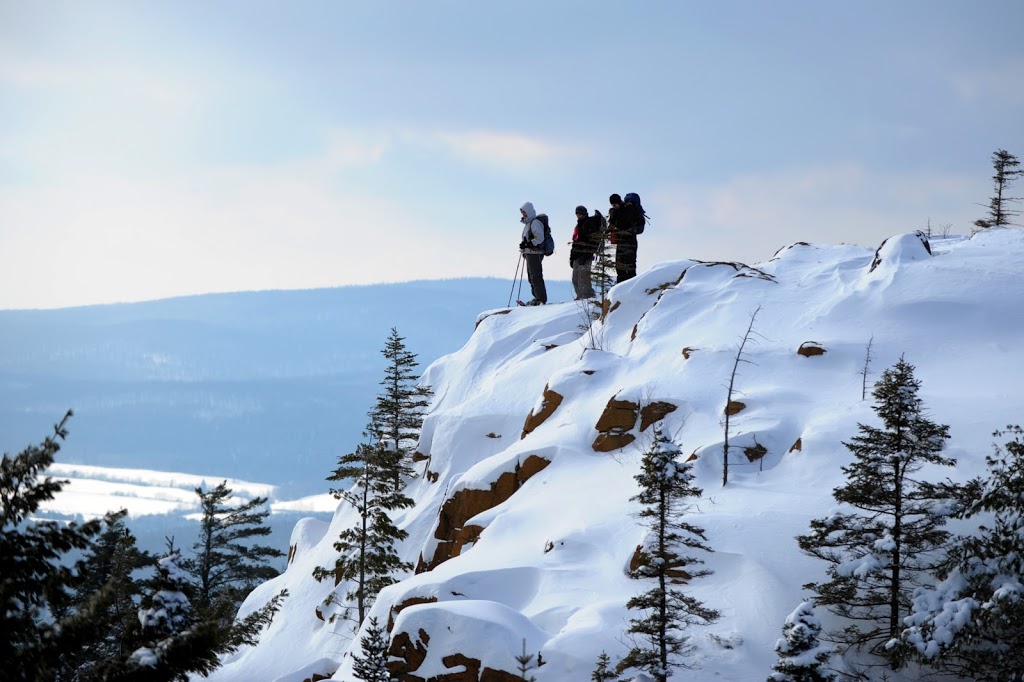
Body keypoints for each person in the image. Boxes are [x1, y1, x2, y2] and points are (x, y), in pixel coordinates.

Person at [569, 205, 601, 300]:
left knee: (584, 277)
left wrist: (587, 254)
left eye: (580, 213)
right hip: (577, 254)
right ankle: (580, 296)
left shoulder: (589, 223)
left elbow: (593, 241)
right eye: (577, 213)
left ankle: (588, 296)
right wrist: (572, 256)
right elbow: (575, 242)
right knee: (575, 278)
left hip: (585, 255)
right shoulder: (578, 225)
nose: (578, 215)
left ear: (584, 213)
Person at [519, 201, 547, 305]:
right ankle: (537, 297)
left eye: (524, 212)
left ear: (529, 211)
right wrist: (525, 247)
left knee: (536, 276)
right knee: (531, 276)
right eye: (522, 212)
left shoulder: (535, 222)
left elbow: (540, 238)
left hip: (535, 252)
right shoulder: (528, 223)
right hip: (530, 253)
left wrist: (528, 244)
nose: (523, 214)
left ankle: (541, 298)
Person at [608, 193, 640, 283]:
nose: (614, 206)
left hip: (630, 241)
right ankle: (620, 288)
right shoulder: (616, 211)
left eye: (615, 204)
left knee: (629, 266)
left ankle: (630, 287)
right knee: (619, 267)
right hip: (620, 241)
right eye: (612, 205)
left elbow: (623, 223)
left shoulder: (628, 209)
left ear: (619, 202)